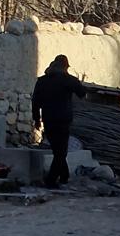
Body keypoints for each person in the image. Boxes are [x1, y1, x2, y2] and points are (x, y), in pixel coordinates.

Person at [32, 55, 84, 188]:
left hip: (48, 120)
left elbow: (35, 102)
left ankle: (64, 176)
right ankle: (51, 180)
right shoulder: (69, 80)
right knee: (61, 152)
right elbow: (82, 93)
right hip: (63, 120)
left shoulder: (42, 81)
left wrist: (37, 120)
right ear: (65, 67)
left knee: (57, 150)